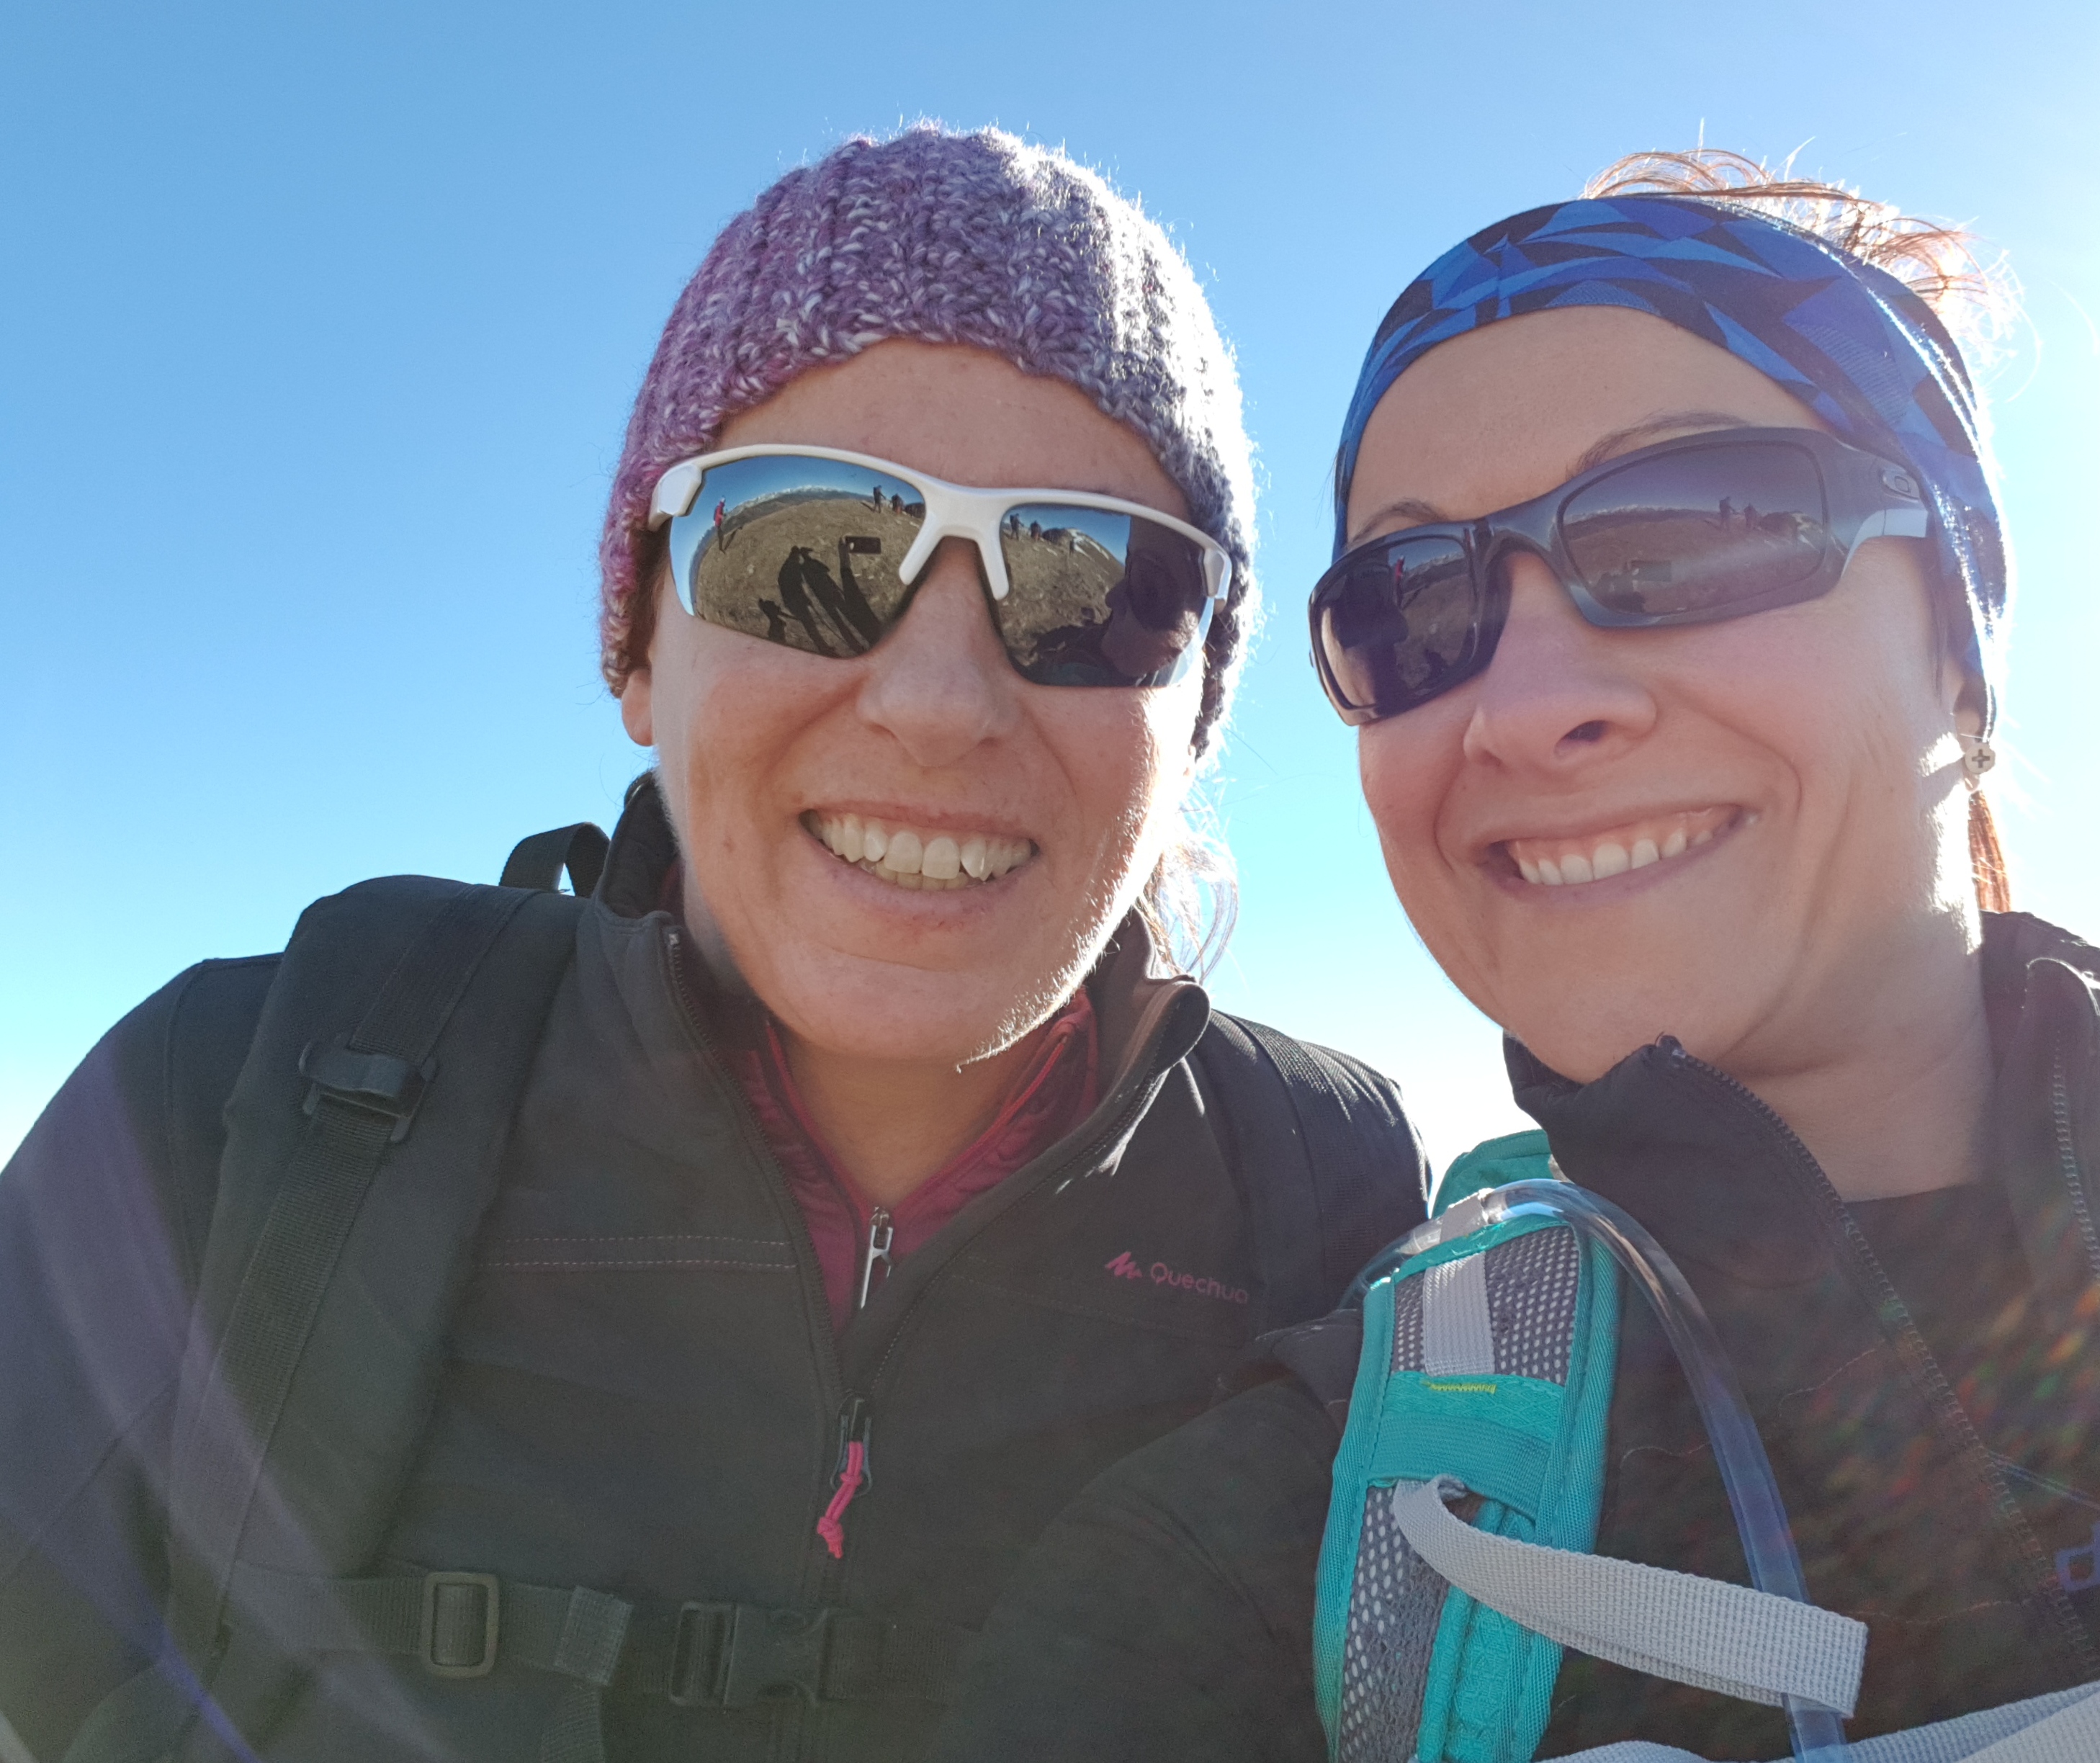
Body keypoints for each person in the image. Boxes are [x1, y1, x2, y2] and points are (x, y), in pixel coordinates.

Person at [0, 127, 1428, 1762]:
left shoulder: (1333, 1196)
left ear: (1191, 715)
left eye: (1095, 585)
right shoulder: (231, 1104)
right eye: (803, 555)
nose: (936, 702)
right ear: (637, 647)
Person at [931, 151, 2100, 1762]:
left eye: (1685, 535)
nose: (1529, 706)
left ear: (1961, 651)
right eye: (1411, 603)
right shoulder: (1253, 1571)